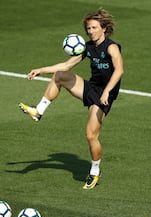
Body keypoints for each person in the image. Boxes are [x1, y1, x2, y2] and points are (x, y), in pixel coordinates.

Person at [19, 8, 124, 190]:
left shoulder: (111, 47)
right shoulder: (88, 46)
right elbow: (67, 64)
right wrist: (41, 70)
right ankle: (39, 111)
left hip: (106, 94)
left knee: (91, 135)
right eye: (88, 28)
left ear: (104, 28)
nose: (90, 31)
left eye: (93, 28)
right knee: (60, 75)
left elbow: (119, 70)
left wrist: (107, 92)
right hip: (92, 87)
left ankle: (95, 171)